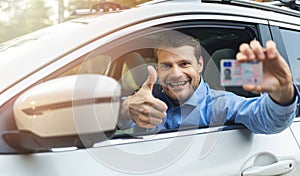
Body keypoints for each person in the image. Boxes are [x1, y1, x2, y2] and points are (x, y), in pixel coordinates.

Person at [117, 31, 299, 134]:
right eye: (166, 66)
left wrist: (282, 91)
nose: (175, 73)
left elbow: (268, 120)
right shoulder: (146, 99)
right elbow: (115, 118)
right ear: (157, 70)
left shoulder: (222, 104)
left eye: (184, 64)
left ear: (200, 65)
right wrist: (126, 108)